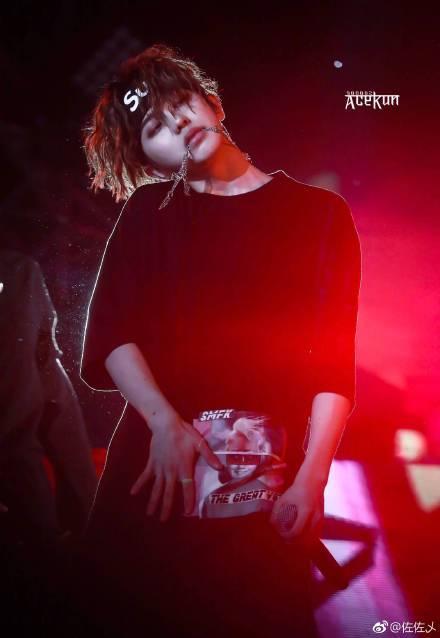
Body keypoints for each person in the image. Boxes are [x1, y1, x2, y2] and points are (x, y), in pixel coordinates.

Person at [79, 43, 361, 637]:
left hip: (263, 487)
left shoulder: (320, 215)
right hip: (153, 478)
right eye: (153, 126)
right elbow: (111, 332)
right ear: (150, 160)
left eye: (179, 102)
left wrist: (313, 478)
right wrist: (163, 424)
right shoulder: (149, 213)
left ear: (212, 102)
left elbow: (334, 363)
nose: (176, 122)